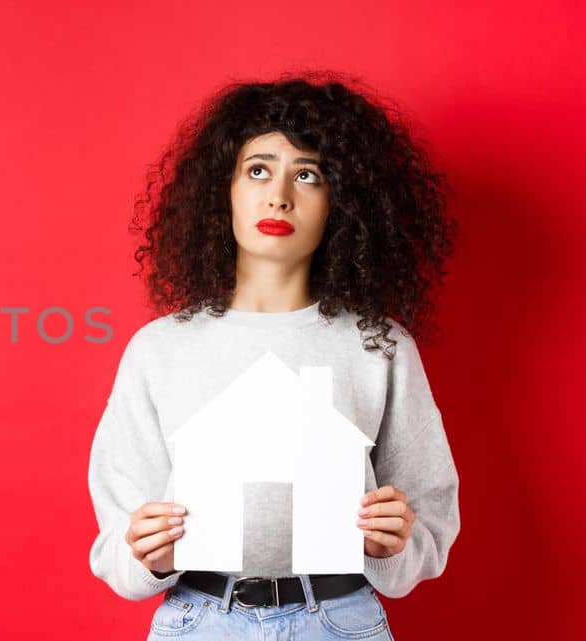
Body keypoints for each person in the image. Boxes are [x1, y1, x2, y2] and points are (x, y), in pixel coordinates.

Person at [86, 73, 460, 640]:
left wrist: (393, 543)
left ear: (343, 201)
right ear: (225, 189)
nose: (278, 195)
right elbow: (119, 547)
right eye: (258, 169)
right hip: (199, 619)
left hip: (339, 620)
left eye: (307, 175)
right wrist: (147, 555)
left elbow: (426, 530)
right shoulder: (160, 349)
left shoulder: (378, 345)